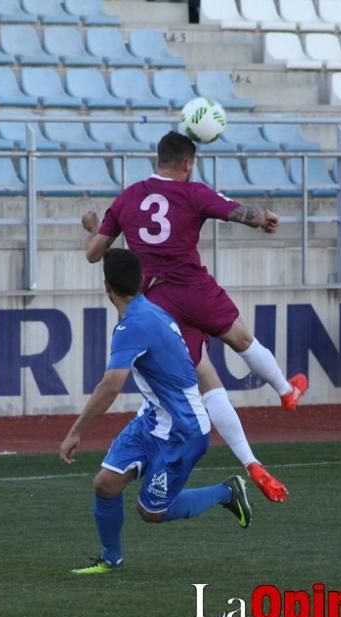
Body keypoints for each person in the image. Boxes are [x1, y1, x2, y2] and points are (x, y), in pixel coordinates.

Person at [80, 131, 307, 504]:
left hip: (157, 300)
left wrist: (92, 227)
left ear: (158, 159)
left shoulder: (129, 197)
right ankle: (285, 390)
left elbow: (94, 254)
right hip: (194, 287)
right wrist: (264, 217)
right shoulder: (193, 192)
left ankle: (251, 462)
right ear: (188, 163)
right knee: (242, 340)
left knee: (202, 378)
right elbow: (236, 212)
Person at [59, 248, 252, 575]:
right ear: (142, 281)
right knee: (105, 484)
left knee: (151, 512)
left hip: (183, 430)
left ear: (107, 286)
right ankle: (111, 559)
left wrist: (75, 431)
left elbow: (111, 385)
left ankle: (225, 492)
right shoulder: (148, 311)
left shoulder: (135, 325)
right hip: (153, 419)